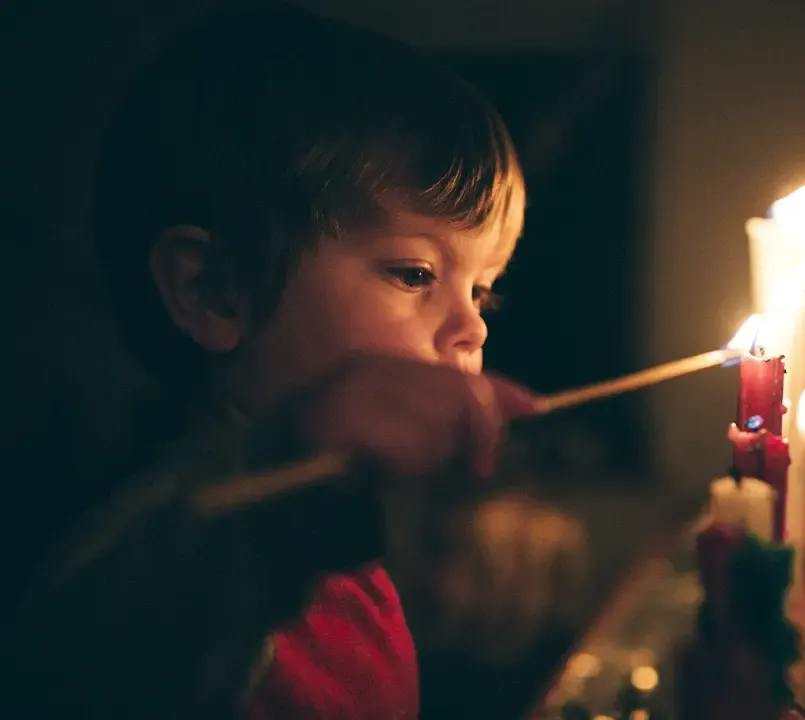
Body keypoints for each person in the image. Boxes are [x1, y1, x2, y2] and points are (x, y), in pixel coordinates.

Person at [0, 4, 586, 717]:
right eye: (413, 273)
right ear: (215, 290)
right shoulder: (157, 553)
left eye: (483, 293)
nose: (470, 329)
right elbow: (115, 642)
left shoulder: (344, 536)